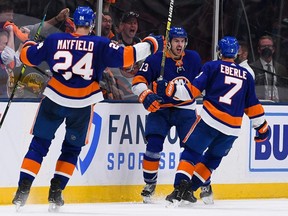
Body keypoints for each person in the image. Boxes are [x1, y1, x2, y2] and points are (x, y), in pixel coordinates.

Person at [11, 6, 163, 211]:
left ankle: (22, 191)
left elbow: (27, 57)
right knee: (72, 149)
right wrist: (153, 44)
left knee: (39, 144)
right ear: (91, 25)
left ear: (73, 22)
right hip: (81, 105)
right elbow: (128, 56)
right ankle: (56, 193)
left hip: (54, 100)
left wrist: (29, 43)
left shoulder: (55, 40)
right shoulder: (100, 44)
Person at [157, 36, 270, 206]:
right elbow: (252, 105)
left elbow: (192, 91)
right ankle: (190, 190)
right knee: (211, 160)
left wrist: (170, 89)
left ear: (219, 51)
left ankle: (179, 188)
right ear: (236, 53)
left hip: (210, 120)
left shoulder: (212, 66)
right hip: (232, 129)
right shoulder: (246, 75)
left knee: (191, 152)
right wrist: (262, 128)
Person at [131, 27, 202, 203]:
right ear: (169, 42)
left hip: (185, 109)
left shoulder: (193, 58)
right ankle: (150, 184)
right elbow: (137, 82)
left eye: (182, 41)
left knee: (194, 149)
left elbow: (201, 85)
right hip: (161, 109)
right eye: (176, 41)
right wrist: (146, 94)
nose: (180, 44)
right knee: (153, 146)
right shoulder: (156, 59)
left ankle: (201, 184)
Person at [110, 11, 142, 100]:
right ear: (122, 25)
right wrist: (112, 88)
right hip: (118, 93)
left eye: (135, 23)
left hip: (137, 92)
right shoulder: (113, 43)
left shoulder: (139, 43)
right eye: (129, 23)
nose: (133, 26)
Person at [250, 35, 288, 102]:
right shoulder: (252, 68)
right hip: (260, 102)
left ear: (273, 49)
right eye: (263, 46)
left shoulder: (281, 68)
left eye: (269, 46)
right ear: (259, 49)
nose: (267, 48)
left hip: (279, 104)